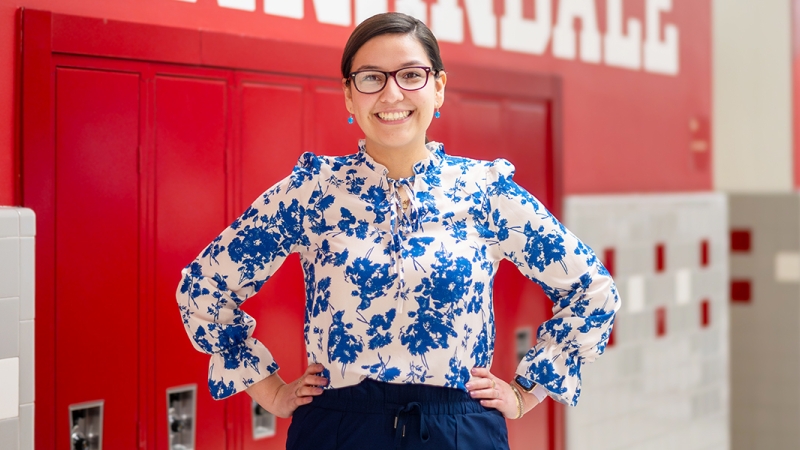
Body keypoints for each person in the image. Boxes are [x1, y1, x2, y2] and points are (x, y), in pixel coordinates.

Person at [176, 12, 619, 450]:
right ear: (349, 96)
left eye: (411, 75)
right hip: (338, 430)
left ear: (439, 87)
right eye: (371, 78)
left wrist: (526, 392)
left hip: (459, 431)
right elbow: (204, 287)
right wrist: (269, 389)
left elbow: (593, 291)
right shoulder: (313, 192)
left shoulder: (485, 192)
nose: (391, 94)